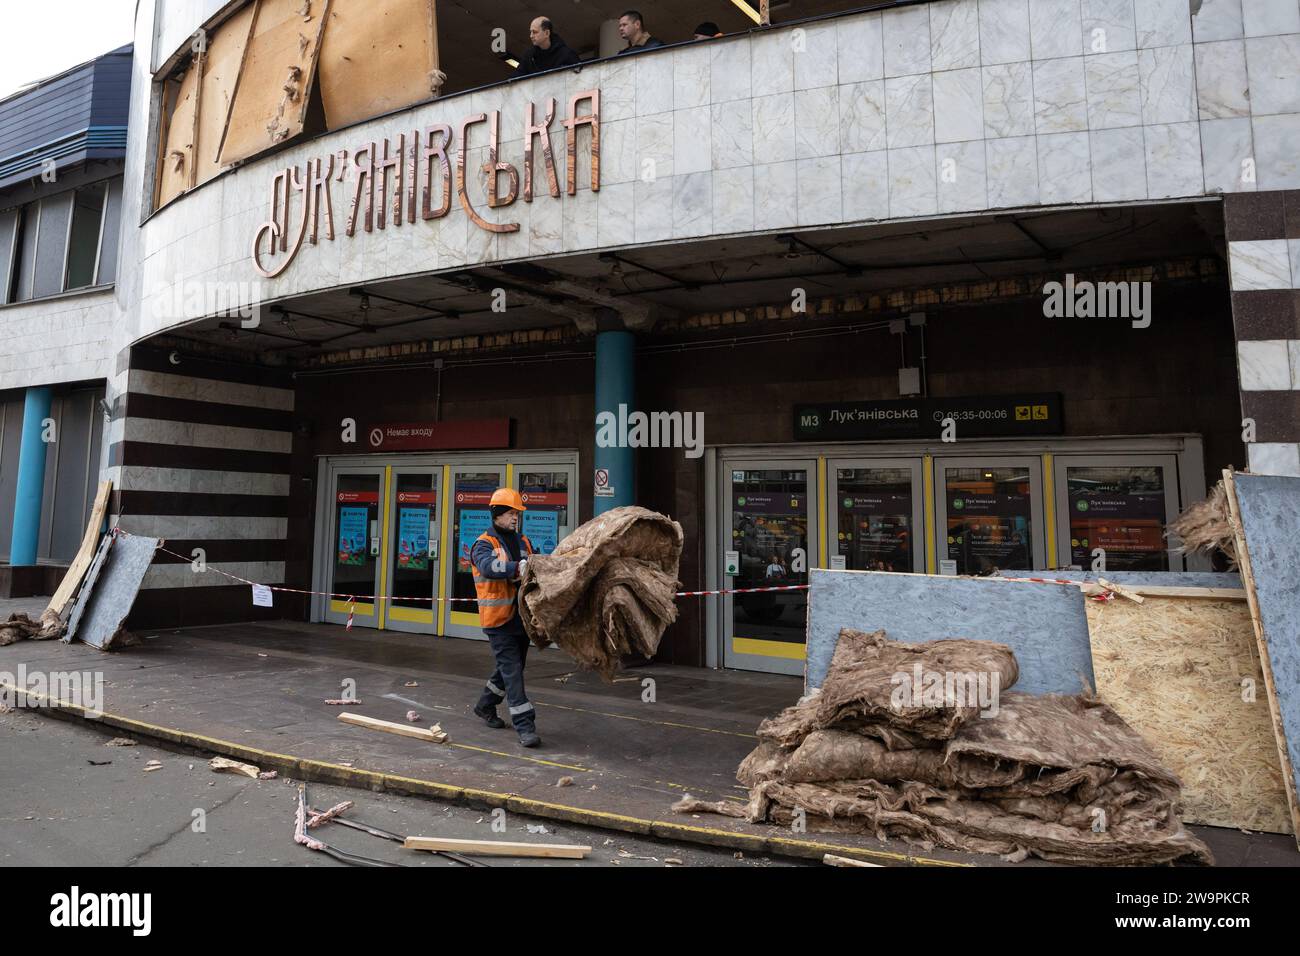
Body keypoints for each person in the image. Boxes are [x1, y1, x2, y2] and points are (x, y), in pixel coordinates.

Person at [470, 488, 541, 748]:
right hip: (498, 620)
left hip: (521, 618)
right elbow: (489, 567)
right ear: (497, 514)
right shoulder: (483, 544)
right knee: (513, 673)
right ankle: (525, 726)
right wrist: (516, 567)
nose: (515, 518)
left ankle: (484, 706)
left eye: (517, 514)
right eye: (511, 513)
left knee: (510, 668)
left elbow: (534, 565)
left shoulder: (523, 541)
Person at [513, 16, 581, 77]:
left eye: (535, 32)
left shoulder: (566, 54)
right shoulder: (529, 56)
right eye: (530, 32)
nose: (531, 36)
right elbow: (515, 78)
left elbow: (580, 76)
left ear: (547, 33)